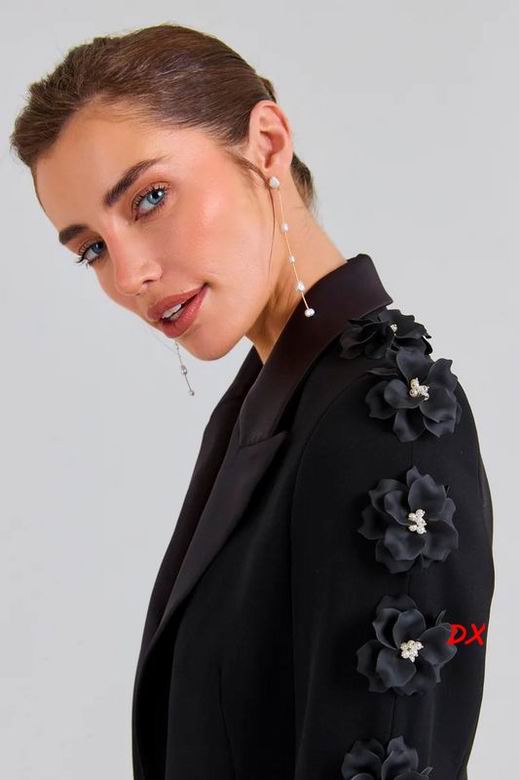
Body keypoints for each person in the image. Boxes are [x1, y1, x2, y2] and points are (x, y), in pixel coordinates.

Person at [10, 22, 494, 780]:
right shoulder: (264, 405)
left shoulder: (386, 420)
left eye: (149, 198)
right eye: (92, 249)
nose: (129, 275)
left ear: (265, 144)